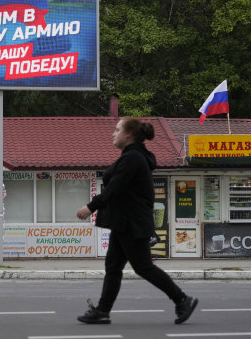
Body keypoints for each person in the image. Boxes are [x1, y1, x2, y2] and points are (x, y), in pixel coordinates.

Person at [76, 117, 198, 325]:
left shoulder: (133, 158)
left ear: (128, 134)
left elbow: (115, 187)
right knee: (113, 267)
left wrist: (91, 206)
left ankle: (182, 299)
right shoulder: (132, 156)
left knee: (143, 267)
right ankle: (102, 311)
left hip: (132, 223)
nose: (113, 134)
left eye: (116, 130)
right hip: (124, 223)